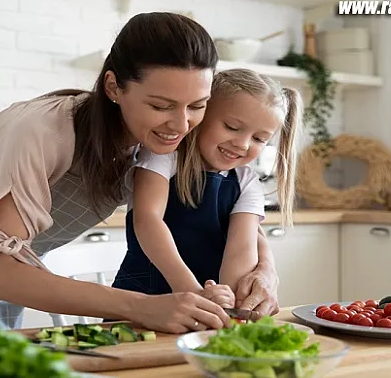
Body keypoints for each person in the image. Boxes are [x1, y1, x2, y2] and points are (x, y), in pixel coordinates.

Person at [0, 12, 281, 337]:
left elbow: (240, 217)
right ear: (113, 86)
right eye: (161, 105)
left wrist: (265, 271)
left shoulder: (160, 142)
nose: (181, 124)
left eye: (198, 105)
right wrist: (142, 305)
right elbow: (0, 276)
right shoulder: (39, 130)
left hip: (17, 262)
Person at [111, 69, 303, 316]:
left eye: (259, 138)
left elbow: (242, 250)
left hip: (207, 307)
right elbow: (147, 219)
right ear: (201, 114)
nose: (242, 144)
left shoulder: (247, 183)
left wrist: (231, 300)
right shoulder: (164, 156)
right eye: (232, 127)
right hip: (141, 301)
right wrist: (189, 289)